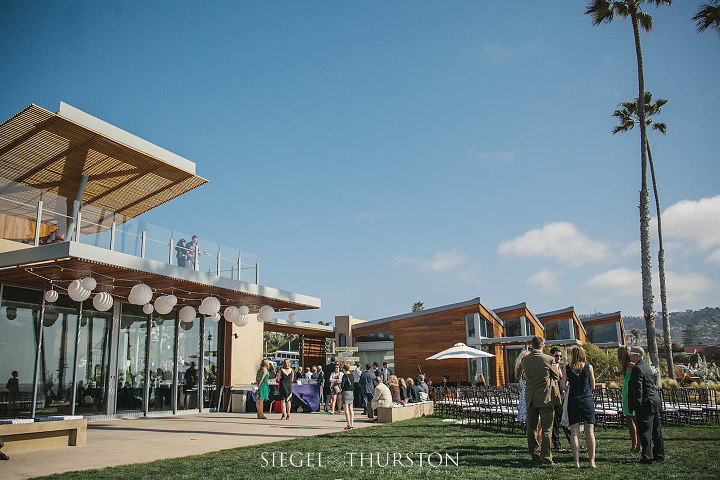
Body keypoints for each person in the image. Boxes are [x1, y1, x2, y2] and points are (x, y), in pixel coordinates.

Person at [521, 336, 561, 466]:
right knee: (547, 428)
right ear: (543, 345)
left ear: (531, 346)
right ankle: (546, 456)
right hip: (545, 397)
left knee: (531, 427)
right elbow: (556, 375)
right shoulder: (548, 359)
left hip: (531, 397)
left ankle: (533, 453)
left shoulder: (525, 360)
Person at [561, 346, 597, 469]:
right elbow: (592, 386)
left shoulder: (567, 368)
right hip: (586, 398)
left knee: (574, 431)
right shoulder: (589, 367)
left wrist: (569, 388)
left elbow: (563, 385)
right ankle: (591, 461)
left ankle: (576, 461)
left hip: (573, 400)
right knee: (589, 431)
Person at [629, 346, 664, 464]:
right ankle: (659, 454)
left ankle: (647, 456)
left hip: (645, 403)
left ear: (637, 355)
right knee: (656, 430)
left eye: (631, 353)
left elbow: (637, 388)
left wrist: (637, 404)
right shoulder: (646, 367)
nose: (629, 355)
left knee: (645, 431)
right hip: (654, 401)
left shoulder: (637, 368)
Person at [617, 345, 641, 453]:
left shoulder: (632, 366)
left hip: (630, 393)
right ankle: (635, 444)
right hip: (626, 392)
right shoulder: (626, 366)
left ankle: (638, 445)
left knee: (634, 419)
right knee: (629, 419)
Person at [549, 347, 572, 452]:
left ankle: (572, 442)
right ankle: (557, 444)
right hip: (554, 397)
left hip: (562, 396)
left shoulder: (561, 367)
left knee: (565, 420)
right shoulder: (549, 367)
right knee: (556, 422)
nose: (558, 358)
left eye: (560, 356)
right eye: (556, 356)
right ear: (551, 355)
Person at [341, 363, 355, 429]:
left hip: (346, 392)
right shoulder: (352, 375)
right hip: (351, 392)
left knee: (346, 409)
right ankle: (352, 423)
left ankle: (348, 423)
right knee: (351, 409)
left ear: (344, 369)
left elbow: (342, 385)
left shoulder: (345, 376)